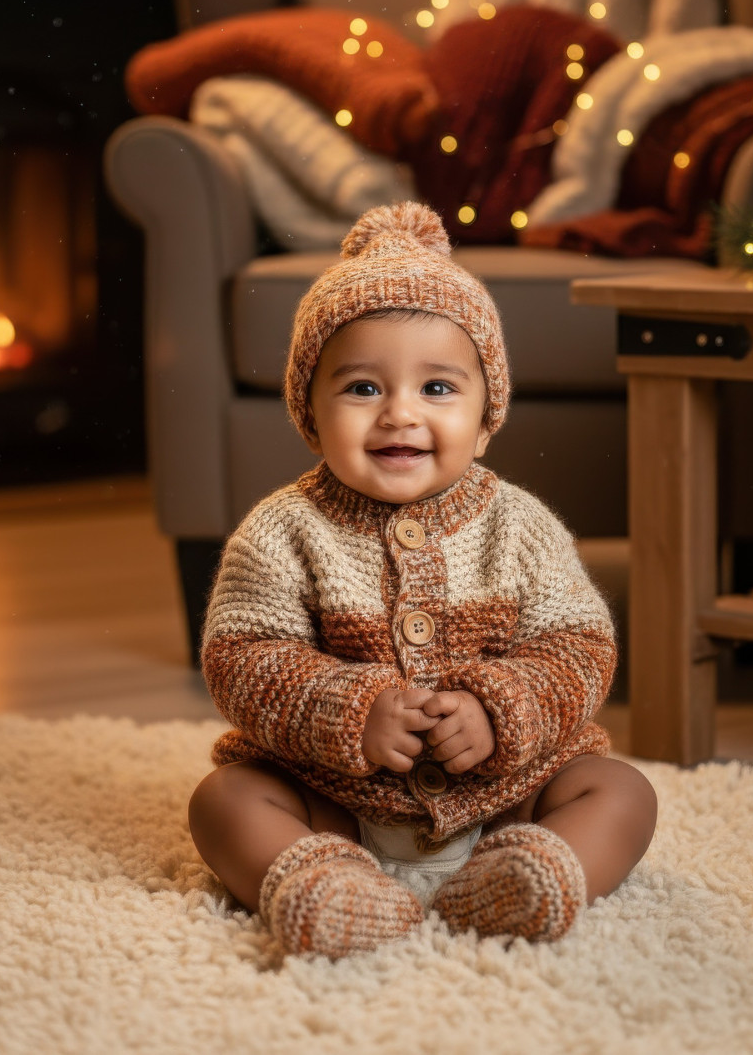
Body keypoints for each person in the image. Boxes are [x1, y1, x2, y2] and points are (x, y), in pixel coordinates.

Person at [188, 202, 657, 959]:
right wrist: (350, 708)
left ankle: (534, 872)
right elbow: (241, 658)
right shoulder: (281, 531)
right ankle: (322, 883)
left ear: (485, 413)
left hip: (506, 796)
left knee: (622, 793)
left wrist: (501, 708)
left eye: (438, 389)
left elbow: (578, 644)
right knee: (224, 802)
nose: (400, 415)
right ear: (309, 410)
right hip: (334, 795)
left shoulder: (520, 525)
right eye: (363, 388)